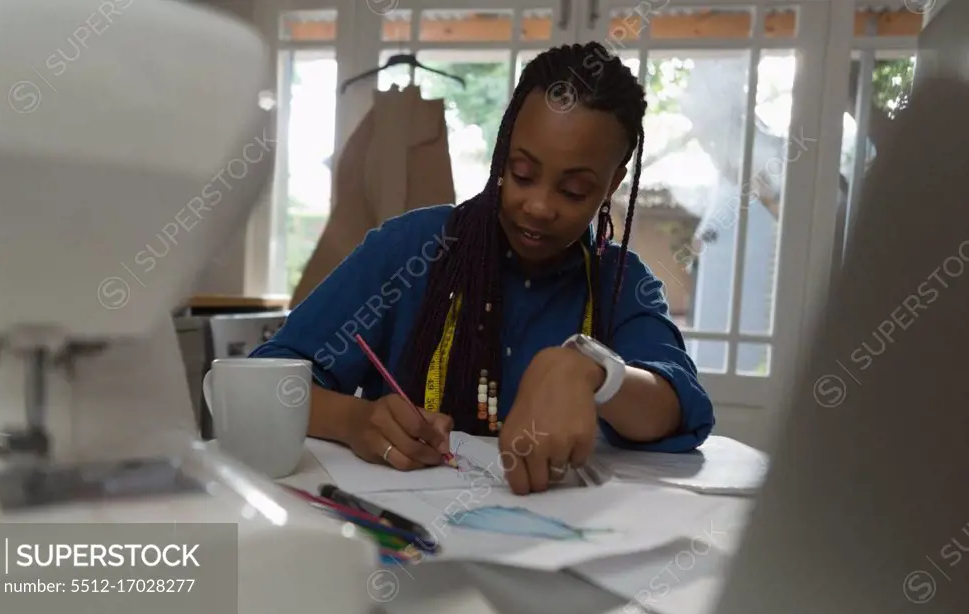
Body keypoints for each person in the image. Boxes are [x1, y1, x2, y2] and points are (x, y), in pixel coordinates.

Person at [252, 42, 715, 495]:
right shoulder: (412, 252)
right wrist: (354, 420)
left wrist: (592, 371)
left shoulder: (621, 285)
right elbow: (265, 381)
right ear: (503, 148)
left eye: (573, 190)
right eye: (522, 172)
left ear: (614, 181)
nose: (537, 206)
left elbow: (675, 410)